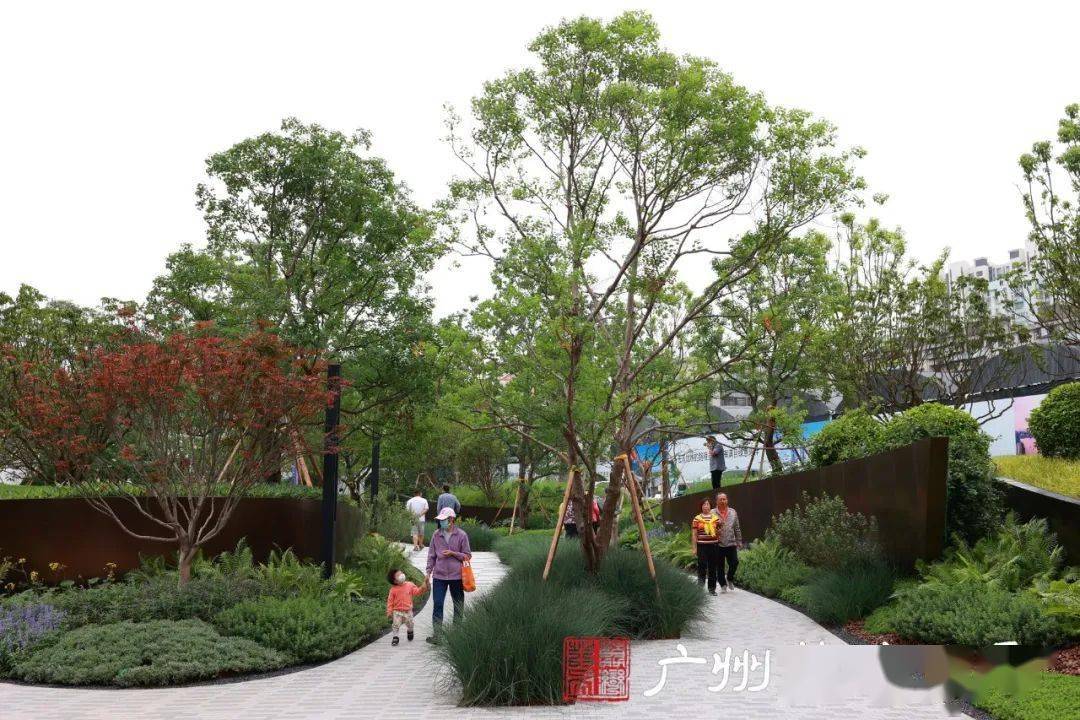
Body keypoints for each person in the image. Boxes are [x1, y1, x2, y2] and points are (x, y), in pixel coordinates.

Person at [425, 507, 472, 643]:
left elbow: (467, 556)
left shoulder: (461, 535)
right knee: (438, 604)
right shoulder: (436, 534)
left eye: (444, 520)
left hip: (457, 577)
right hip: (439, 576)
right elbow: (431, 555)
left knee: (458, 605)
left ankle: (456, 635)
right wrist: (428, 572)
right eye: (440, 520)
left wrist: (453, 553)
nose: (441, 522)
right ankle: (437, 635)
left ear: (451, 519)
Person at [385, 567, 427, 645]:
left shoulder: (410, 585)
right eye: (398, 575)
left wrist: (422, 588)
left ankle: (410, 631)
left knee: (410, 624)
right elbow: (390, 601)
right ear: (395, 581)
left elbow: (417, 592)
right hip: (397, 611)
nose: (402, 575)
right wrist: (389, 611)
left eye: (401, 573)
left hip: (408, 611)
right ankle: (395, 637)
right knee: (396, 624)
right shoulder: (393, 590)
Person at [713, 492, 743, 593]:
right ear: (717, 501)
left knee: (735, 562)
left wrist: (739, 541)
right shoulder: (712, 513)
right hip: (718, 543)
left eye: (724, 499)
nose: (722, 501)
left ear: (727, 500)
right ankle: (723, 585)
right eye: (720, 499)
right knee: (719, 566)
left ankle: (729, 578)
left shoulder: (733, 512)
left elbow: (737, 528)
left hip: (731, 543)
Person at [691, 498, 721, 595]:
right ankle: (700, 589)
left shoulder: (716, 519)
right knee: (702, 567)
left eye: (708, 504)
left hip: (714, 545)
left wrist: (719, 531)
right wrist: (694, 548)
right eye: (704, 504)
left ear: (710, 506)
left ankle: (712, 589)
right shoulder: (697, 519)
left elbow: (719, 532)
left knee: (713, 568)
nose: (706, 506)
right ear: (701, 506)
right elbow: (694, 534)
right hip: (702, 546)